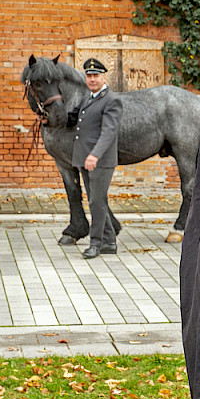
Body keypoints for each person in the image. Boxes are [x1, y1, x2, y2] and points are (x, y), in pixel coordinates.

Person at [72, 58, 123, 259]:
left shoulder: (111, 100)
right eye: (89, 76)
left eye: (96, 76)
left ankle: (96, 243)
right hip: (86, 159)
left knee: (96, 202)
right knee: (98, 201)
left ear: (104, 77)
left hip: (100, 160)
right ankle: (109, 242)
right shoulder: (89, 98)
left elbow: (109, 132)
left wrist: (95, 155)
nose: (92, 79)